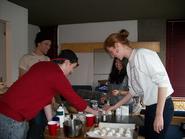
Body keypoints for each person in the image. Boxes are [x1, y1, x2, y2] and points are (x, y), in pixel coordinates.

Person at [0, 49, 98, 139]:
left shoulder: (42, 65)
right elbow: (74, 99)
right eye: (72, 67)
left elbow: (46, 98)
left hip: (6, 112)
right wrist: (95, 113)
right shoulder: (57, 74)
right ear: (67, 62)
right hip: (12, 117)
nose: (72, 71)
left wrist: (51, 121)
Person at [103, 29, 174, 139]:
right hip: (150, 107)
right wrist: (113, 107)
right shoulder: (129, 65)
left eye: (111, 52)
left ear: (117, 45)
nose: (112, 56)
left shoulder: (143, 54)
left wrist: (159, 115)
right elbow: (132, 92)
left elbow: (163, 82)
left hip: (162, 105)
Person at [19, 31, 53, 139]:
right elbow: (22, 80)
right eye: (46, 44)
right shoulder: (26, 58)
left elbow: (49, 82)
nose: (48, 47)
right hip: (32, 98)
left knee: (45, 123)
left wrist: (52, 97)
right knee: (36, 123)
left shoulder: (47, 60)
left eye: (50, 45)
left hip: (45, 99)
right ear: (38, 43)